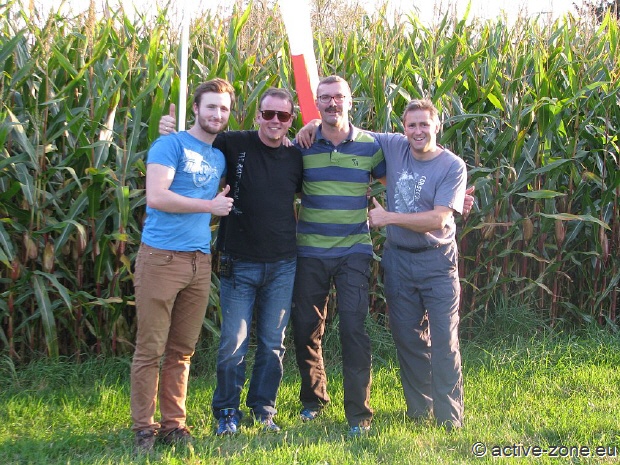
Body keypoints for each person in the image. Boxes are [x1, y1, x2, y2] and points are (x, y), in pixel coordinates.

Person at [158, 88, 303, 436]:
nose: (275, 121)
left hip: (283, 263)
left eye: (283, 116)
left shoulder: (297, 156)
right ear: (258, 115)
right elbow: (196, 145)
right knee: (233, 343)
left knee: (273, 343)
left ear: (291, 120)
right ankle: (226, 412)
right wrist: (171, 131)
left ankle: (264, 410)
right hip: (238, 260)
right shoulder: (233, 143)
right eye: (268, 114)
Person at [131, 78, 235, 453]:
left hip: (198, 260)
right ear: (195, 108)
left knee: (182, 350)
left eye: (223, 108)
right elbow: (157, 197)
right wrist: (210, 206)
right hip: (161, 257)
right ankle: (144, 429)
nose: (217, 114)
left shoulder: (219, 156)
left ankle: (174, 424)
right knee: (150, 349)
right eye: (211, 106)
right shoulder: (169, 145)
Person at [292, 75, 385, 436]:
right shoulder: (303, 145)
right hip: (310, 250)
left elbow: (398, 181)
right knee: (306, 327)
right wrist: (308, 128)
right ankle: (313, 400)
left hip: (353, 251)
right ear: (316, 103)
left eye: (339, 97)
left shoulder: (370, 146)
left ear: (350, 101)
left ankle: (359, 414)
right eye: (325, 98)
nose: (332, 103)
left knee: (353, 328)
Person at [367, 98, 466, 430]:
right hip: (398, 259)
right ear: (404, 128)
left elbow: (438, 219)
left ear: (437, 125)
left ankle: (449, 417)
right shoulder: (395, 146)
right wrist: (313, 126)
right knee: (408, 338)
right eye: (412, 125)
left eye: (425, 124)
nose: (418, 131)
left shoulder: (452, 166)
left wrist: (388, 218)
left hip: (437, 261)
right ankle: (420, 411)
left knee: (444, 340)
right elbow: (348, 132)